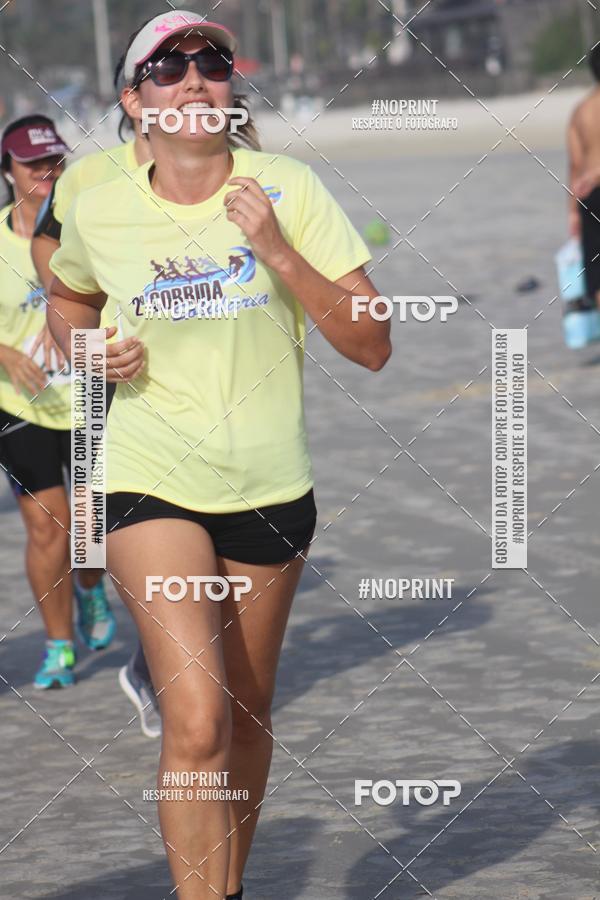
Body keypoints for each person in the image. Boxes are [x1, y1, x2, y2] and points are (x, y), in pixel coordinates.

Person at [48, 11, 391, 899]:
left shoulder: (289, 188)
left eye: (211, 62)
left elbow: (373, 343)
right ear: (135, 102)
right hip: (146, 477)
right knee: (195, 719)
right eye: (169, 67)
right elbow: (67, 304)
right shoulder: (100, 207)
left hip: (271, 484)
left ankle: (226, 885)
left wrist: (276, 250)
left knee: (245, 712)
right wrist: (91, 357)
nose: (195, 77)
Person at [30, 53, 159, 738]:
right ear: (132, 99)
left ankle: (154, 661)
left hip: (217, 390)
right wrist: (80, 331)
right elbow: (48, 249)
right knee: (106, 524)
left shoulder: (233, 162)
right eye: (167, 72)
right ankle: (151, 657)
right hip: (111, 383)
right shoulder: (87, 178)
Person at [0, 114, 115, 688]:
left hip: (92, 393)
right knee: (50, 526)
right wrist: (4, 351)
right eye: (31, 164)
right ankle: (58, 645)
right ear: (8, 171)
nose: (46, 173)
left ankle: (91, 592)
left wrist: (70, 320)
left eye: (54, 162)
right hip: (20, 406)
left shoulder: (93, 226)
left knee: (92, 529)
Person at [568, 44, 600, 305]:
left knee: (597, 274)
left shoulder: (581, 111)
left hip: (590, 196)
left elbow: (576, 164)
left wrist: (572, 212)